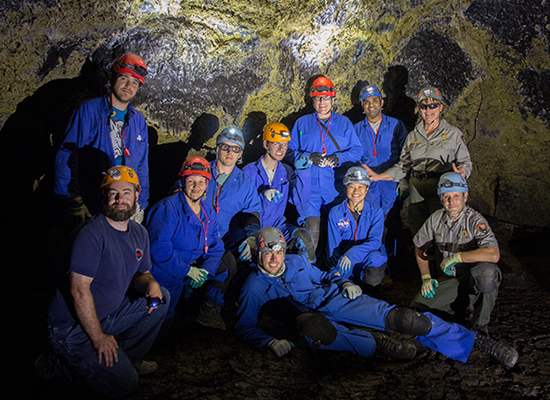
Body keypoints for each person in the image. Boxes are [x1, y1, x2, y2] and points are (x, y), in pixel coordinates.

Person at [236, 227, 517, 369]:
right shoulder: (254, 285)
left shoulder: (297, 262)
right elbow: (244, 324)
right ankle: (379, 345)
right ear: (258, 254)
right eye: (267, 253)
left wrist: (345, 281)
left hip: (335, 299)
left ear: (285, 250)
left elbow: (324, 276)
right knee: (315, 329)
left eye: (278, 252)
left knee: (406, 319)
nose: (274, 259)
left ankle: (475, 341)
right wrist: (270, 341)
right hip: (308, 318)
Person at [45, 166, 169, 398]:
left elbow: (141, 275)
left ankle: (127, 360)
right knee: (126, 384)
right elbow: (78, 291)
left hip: (106, 315)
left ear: (136, 196)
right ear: (104, 197)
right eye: (113, 193)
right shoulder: (91, 234)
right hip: (72, 328)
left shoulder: (138, 232)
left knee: (162, 296)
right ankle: (59, 364)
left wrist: (150, 284)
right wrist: (98, 337)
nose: (119, 199)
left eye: (126, 192)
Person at [55, 53, 150, 225]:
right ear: (113, 78)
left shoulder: (138, 120)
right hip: (92, 200)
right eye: (124, 79)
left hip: (124, 204)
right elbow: (67, 155)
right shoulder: (89, 111)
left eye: (135, 83)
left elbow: (141, 165)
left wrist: (140, 203)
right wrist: (72, 200)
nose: (129, 86)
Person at [364, 87, 472, 236]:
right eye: (424, 106)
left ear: (441, 107)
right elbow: (403, 166)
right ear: (419, 109)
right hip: (417, 187)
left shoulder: (453, 134)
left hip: (439, 186)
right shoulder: (413, 136)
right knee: (418, 230)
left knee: (441, 229)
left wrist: (462, 174)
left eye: (433, 105)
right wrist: (378, 176)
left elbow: (465, 161)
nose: (428, 111)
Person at [147, 156, 233, 329]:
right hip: (165, 273)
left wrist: (205, 269)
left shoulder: (207, 212)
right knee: (158, 319)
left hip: (191, 269)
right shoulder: (168, 209)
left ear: (207, 185)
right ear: (182, 182)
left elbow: (216, 246)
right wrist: (187, 270)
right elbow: (158, 247)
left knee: (226, 264)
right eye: (191, 181)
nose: (196, 187)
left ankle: (205, 313)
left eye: (201, 182)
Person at [410, 172, 501, 335]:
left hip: (472, 277)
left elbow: (493, 254)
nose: (452, 202)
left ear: (465, 196)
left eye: (456, 196)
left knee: (487, 273)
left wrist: (458, 257)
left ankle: (480, 326)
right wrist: (426, 278)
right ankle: (460, 306)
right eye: (447, 197)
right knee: (418, 308)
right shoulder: (435, 219)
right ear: (440, 199)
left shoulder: (474, 220)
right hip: (450, 278)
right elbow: (419, 247)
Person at [287, 76, 363, 247]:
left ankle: (333, 270)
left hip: (335, 189)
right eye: (318, 98)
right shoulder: (302, 123)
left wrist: (339, 158)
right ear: (312, 99)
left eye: (326, 98)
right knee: (311, 232)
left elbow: (357, 150)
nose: (322, 102)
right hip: (308, 189)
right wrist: (307, 156)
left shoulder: (344, 123)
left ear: (332, 98)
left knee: (336, 234)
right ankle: (308, 267)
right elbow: (288, 151)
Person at [242, 122, 316, 260]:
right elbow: (241, 205)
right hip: (254, 228)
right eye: (276, 144)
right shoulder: (249, 171)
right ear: (266, 145)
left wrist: (303, 173)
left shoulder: (286, 171)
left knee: (304, 237)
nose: (281, 149)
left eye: (285, 145)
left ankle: (306, 274)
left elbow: (299, 199)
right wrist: (262, 196)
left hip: (278, 227)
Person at [327, 166, 387, 291]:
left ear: (367, 189)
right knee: (339, 285)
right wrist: (336, 271)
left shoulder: (376, 212)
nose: (356, 191)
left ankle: (371, 290)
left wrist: (352, 255)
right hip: (343, 262)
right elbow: (333, 246)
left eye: (360, 187)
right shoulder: (336, 213)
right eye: (352, 186)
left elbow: (375, 242)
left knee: (376, 259)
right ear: (346, 188)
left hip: (365, 258)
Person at [354, 85, 408, 216]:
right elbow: (353, 157)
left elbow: (407, 154)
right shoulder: (356, 129)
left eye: (374, 101)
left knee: (392, 222)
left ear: (381, 102)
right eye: (366, 102)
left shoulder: (396, 125)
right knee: (370, 220)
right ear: (362, 105)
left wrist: (404, 180)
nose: (371, 105)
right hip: (369, 185)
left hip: (391, 181)